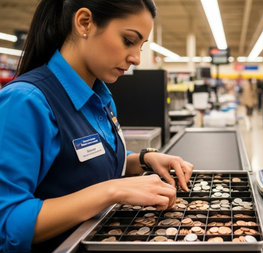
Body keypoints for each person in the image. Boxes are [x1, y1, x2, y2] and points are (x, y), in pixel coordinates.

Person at [0, 1, 194, 252]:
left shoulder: (101, 96)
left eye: (141, 46)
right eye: (128, 40)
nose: (136, 58)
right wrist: (112, 191)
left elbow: (87, 163)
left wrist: (144, 159)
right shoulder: (25, 101)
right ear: (84, 23)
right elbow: (8, 224)